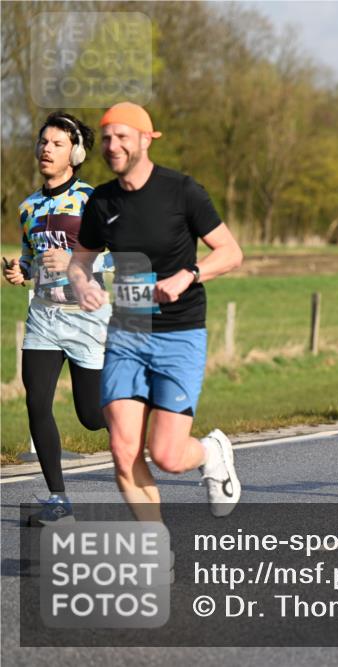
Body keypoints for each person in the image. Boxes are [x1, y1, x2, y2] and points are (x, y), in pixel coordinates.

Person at [68, 102, 244, 522]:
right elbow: (80, 261)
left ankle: (211, 451)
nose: (112, 146)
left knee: (167, 455)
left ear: (146, 139)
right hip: (127, 332)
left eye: (122, 137)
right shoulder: (101, 201)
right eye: (106, 138)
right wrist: (83, 283)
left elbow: (231, 252)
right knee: (123, 449)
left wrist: (189, 274)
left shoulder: (182, 191)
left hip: (178, 333)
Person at [3, 112, 109, 526]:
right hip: (44, 319)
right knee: (36, 404)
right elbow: (31, 259)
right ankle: (58, 501)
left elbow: (126, 256)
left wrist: (76, 260)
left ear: (75, 154)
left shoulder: (94, 202)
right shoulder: (28, 207)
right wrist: (20, 271)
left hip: (87, 318)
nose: (46, 149)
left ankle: (140, 415)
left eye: (57, 143)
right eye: (43, 141)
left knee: (92, 417)